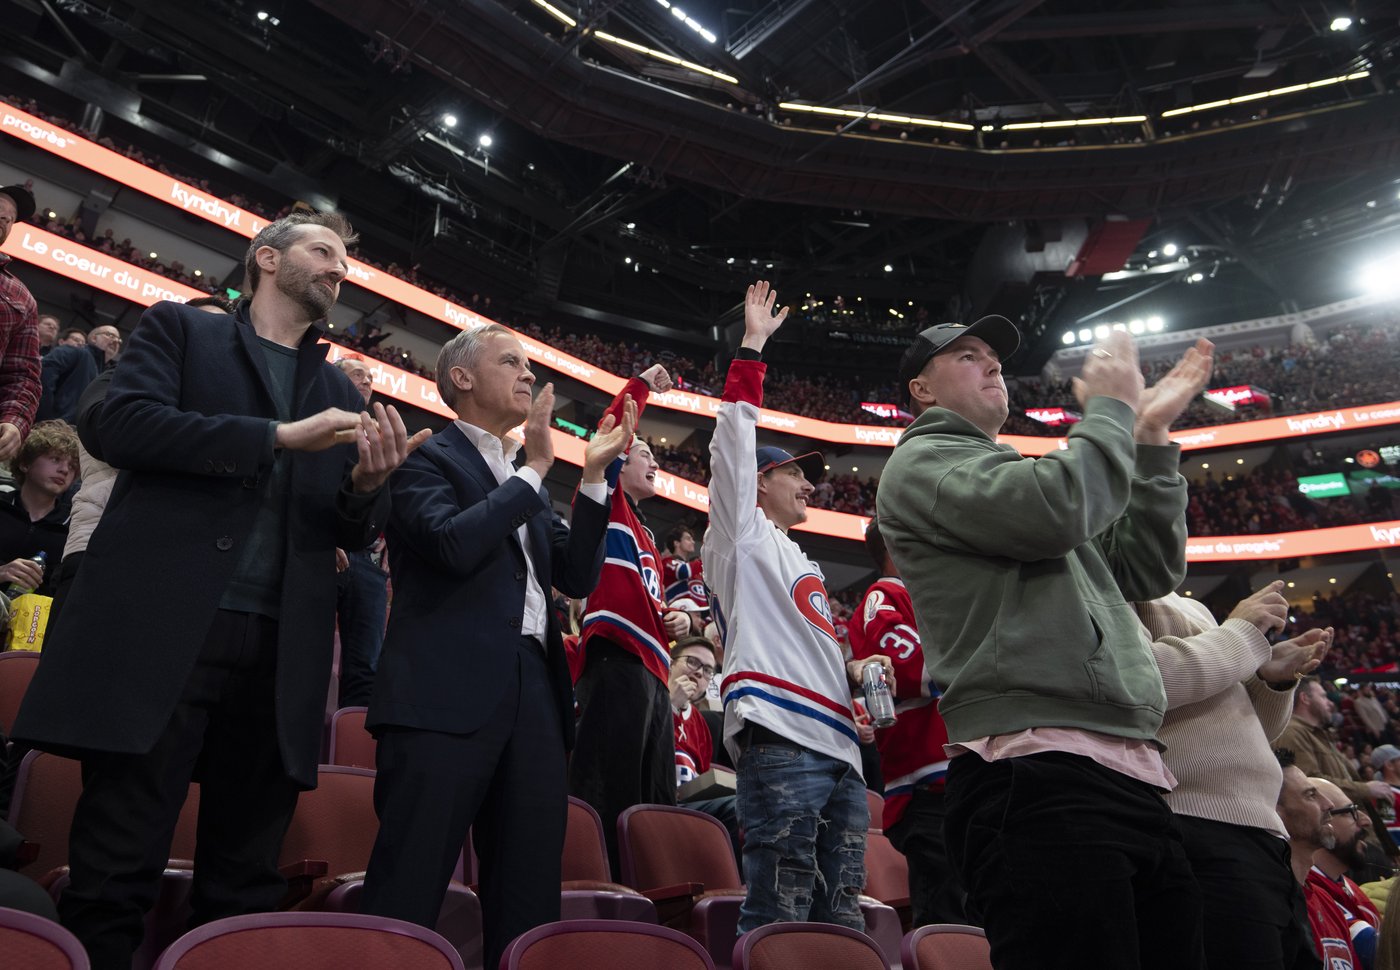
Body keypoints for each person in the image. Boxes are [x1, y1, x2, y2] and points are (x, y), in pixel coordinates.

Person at [13, 210, 424, 970]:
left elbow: (345, 527)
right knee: (116, 871)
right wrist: (271, 436)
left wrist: (368, 487)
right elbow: (121, 427)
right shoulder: (179, 330)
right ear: (266, 258)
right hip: (164, 630)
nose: (340, 269)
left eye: (345, 258)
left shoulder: (334, 382)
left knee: (244, 889)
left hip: (281, 650)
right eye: (323, 251)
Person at [877, 319, 1214, 970]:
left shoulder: (1012, 475)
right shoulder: (923, 461)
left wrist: (1147, 441)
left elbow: (1148, 568)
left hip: (1129, 772)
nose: (993, 365)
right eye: (968, 356)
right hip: (1036, 771)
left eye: (997, 357)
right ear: (921, 388)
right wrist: (1113, 409)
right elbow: (1056, 510)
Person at [360, 323, 634, 970]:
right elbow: (453, 545)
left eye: (529, 366)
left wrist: (591, 479)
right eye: (510, 361)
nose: (529, 376)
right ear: (461, 377)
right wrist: (537, 469)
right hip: (440, 695)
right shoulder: (427, 458)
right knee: (409, 883)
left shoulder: (521, 480)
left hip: (536, 693)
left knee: (529, 894)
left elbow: (575, 577)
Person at [704, 281, 892, 934]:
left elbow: (817, 646)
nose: (810, 483)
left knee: (842, 913)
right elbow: (732, 441)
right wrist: (752, 346)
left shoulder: (803, 559)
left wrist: (857, 667)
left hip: (840, 746)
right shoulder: (740, 534)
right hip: (781, 734)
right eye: (796, 473)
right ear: (760, 482)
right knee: (780, 905)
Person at [1136, 584, 1329, 970]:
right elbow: (1139, 685)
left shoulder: (1192, 607)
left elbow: (1258, 729)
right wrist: (1240, 633)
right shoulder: (1118, 587)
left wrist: (1270, 679)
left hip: (1264, 833)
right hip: (1193, 823)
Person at [569, 363, 692, 872]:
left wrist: (674, 623)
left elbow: (650, 602)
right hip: (616, 657)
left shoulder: (647, 539)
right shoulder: (611, 502)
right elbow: (612, 433)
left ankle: (644, 892)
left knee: (654, 796)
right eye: (645, 454)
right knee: (607, 785)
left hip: (655, 670)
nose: (654, 463)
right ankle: (593, 883)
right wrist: (639, 386)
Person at [848, 517, 960, 926]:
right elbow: (914, 668)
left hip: (955, 778)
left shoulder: (928, 599)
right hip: (927, 785)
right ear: (897, 548)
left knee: (973, 918)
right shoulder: (883, 595)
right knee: (946, 920)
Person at [1280, 678, 1399, 859]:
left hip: (1357, 832)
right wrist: (1366, 788)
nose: (1329, 703)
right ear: (1305, 698)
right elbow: (1310, 782)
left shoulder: (1319, 735)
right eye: (1323, 696)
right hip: (1341, 839)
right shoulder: (1293, 732)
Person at [331, 355, 389, 708]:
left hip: (367, 561)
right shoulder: (317, 419)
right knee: (304, 654)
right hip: (324, 549)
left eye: (370, 377)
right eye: (357, 375)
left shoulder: (379, 435)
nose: (367, 381)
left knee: (365, 664)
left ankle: (352, 745)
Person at [1278, 751, 1361, 970]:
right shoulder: (1274, 907)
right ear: (1277, 813)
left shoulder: (1324, 899)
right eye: (1311, 795)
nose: (1329, 805)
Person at [668, 636, 740, 859]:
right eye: (691, 661)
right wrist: (669, 705)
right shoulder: (647, 699)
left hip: (692, 807)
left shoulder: (703, 724)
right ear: (670, 664)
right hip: (657, 803)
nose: (699, 673)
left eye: (708, 670)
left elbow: (700, 781)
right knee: (740, 808)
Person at [0, 419, 79, 597]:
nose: (65, 470)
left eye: (73, 466)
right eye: (55, 459)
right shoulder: (3, 505)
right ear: (25, 463)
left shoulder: (73, 527)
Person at [1310, 777, 1383, 969]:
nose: (1366, 821)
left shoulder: (1347, 885)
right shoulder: (1304, 892)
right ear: (1321, 821)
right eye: (1351, 812)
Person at [0, 184, 43, 462]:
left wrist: (15, 421)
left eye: (8, 219)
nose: (1, 222)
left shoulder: (20, 297)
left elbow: (23, 376)